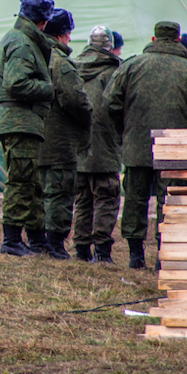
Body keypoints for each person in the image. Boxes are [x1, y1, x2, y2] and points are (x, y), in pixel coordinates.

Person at [105, 21, 187, 269]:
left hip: (137, 145)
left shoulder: (131, 65)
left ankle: (135, 256)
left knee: (135, 199)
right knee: (170, 200)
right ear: (178, 40)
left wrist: (125, 131)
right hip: (176, 149)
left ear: (153, 39)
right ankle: (163, 257)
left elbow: (110, 102)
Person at [0, 0, 56, 256]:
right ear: (44, 21)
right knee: (20, 181)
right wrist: (49, 88)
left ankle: (37, 240)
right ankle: (12, 241)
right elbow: (16, 83)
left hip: (21, 120)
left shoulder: (21, 38)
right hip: (19, 120)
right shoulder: (21, 43)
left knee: (31, 182)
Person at [36, 9, 92, 260]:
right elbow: (75, 100)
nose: (69, 38)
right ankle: (55, 244)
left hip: (35, 134)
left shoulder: (33, 54)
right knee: (60, 191)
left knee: (38, 191)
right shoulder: (60, 61)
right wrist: (88, 117)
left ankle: (37, 241)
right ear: (61, 35)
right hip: (59, 140)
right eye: (68, 34)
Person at [72, 26, 122, 263]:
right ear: (110, 45)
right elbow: (118, 107)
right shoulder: (114, 71)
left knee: (82, 197)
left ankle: (81, 249)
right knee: (106, 196)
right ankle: (102, 251)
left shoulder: (73, 66)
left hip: (78, 143)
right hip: (105, 143)